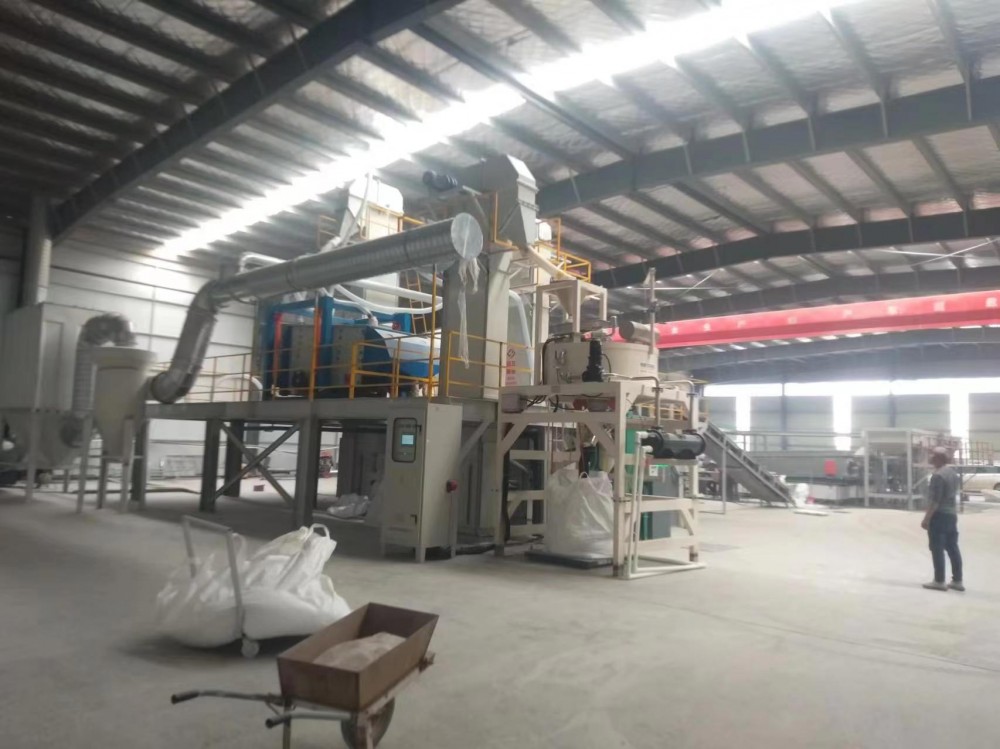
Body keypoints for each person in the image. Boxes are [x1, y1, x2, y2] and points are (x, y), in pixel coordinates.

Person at [921, 446, 964, 591]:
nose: (930, 457)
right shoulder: (952, 474)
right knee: (952, 547)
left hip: (939, 516)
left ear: (938, 458)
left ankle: (939, 581)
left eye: (932, 455)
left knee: (937, 548)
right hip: (952, 515)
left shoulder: (938, 476)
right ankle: (957, 580)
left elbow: (935, 501)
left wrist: (926, 519)